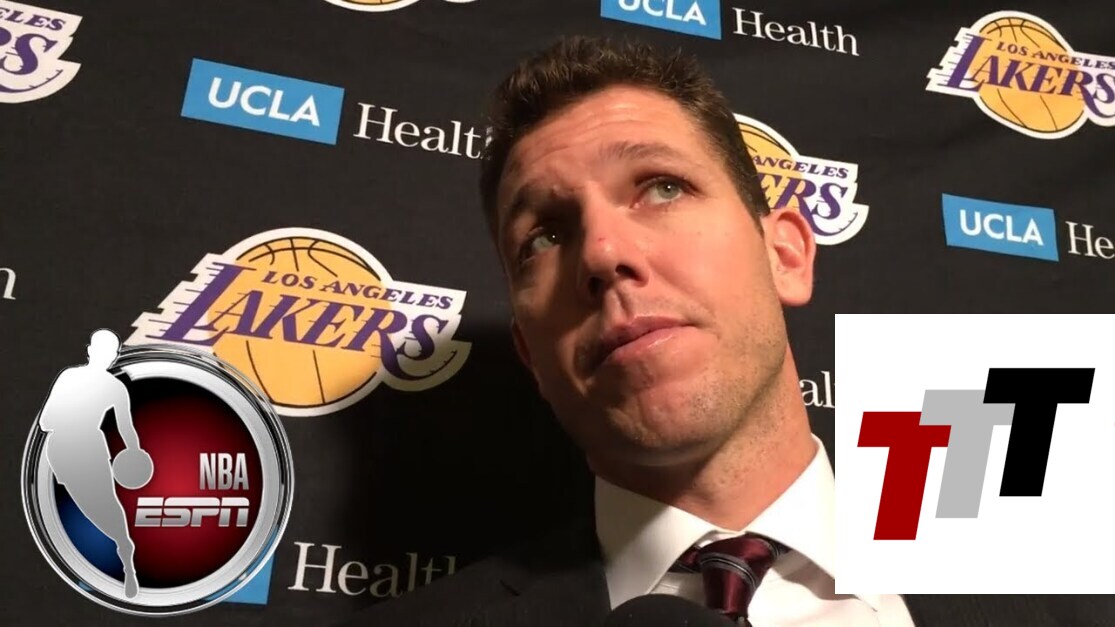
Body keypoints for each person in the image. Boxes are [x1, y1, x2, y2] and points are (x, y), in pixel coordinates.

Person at [341, 35, 1114, 627]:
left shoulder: (1067, 574)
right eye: (543, 234)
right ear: (529, 357)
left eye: (660, 187)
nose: (602, 253)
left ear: (786, 254)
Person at [38, 329, 149, 599]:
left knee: (104, 504)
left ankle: (124, 551)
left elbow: (126, 429)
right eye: (104, 351)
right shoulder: (73, 378)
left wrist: (135, 453)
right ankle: (122, 546)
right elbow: (45, 421)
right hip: (67, 448)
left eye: (109, 352)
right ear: (92, 351)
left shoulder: (112, 387)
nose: (106, 356)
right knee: (94, 507)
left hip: (86, 448)